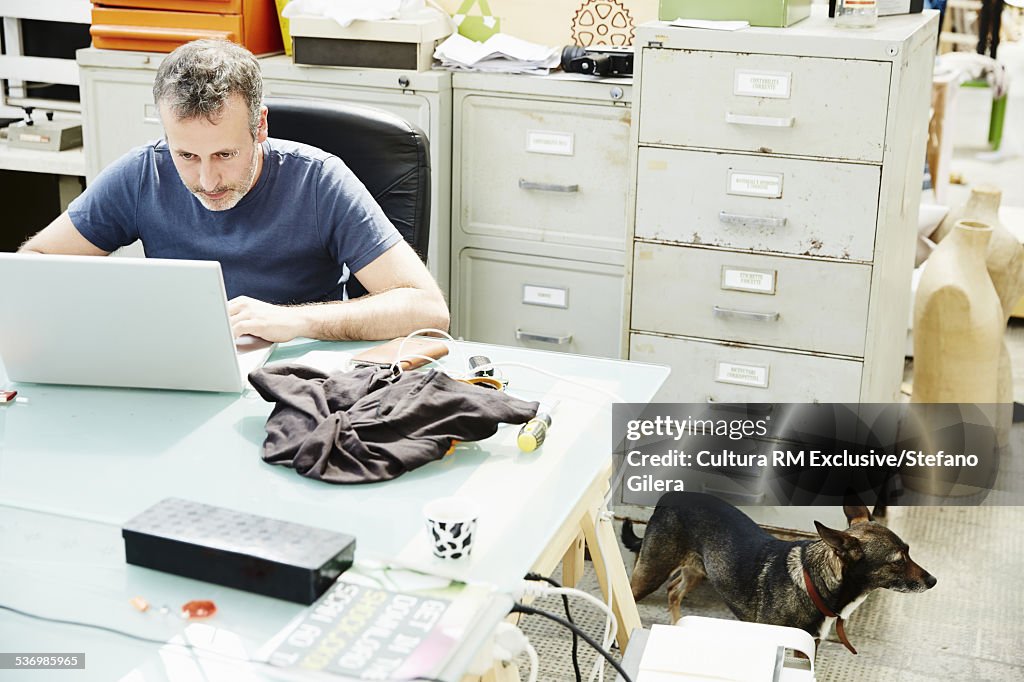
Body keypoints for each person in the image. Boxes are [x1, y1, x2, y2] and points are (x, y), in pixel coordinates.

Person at [18, 39, 449, 343]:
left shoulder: (319, 180)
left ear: (260, 126)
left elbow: (427, 309)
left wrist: (295, 322)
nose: (207, 182)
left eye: (224, 155)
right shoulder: (142, 172)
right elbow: (30, 269)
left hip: (292, 376)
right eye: (186, 156)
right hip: (180, 366)